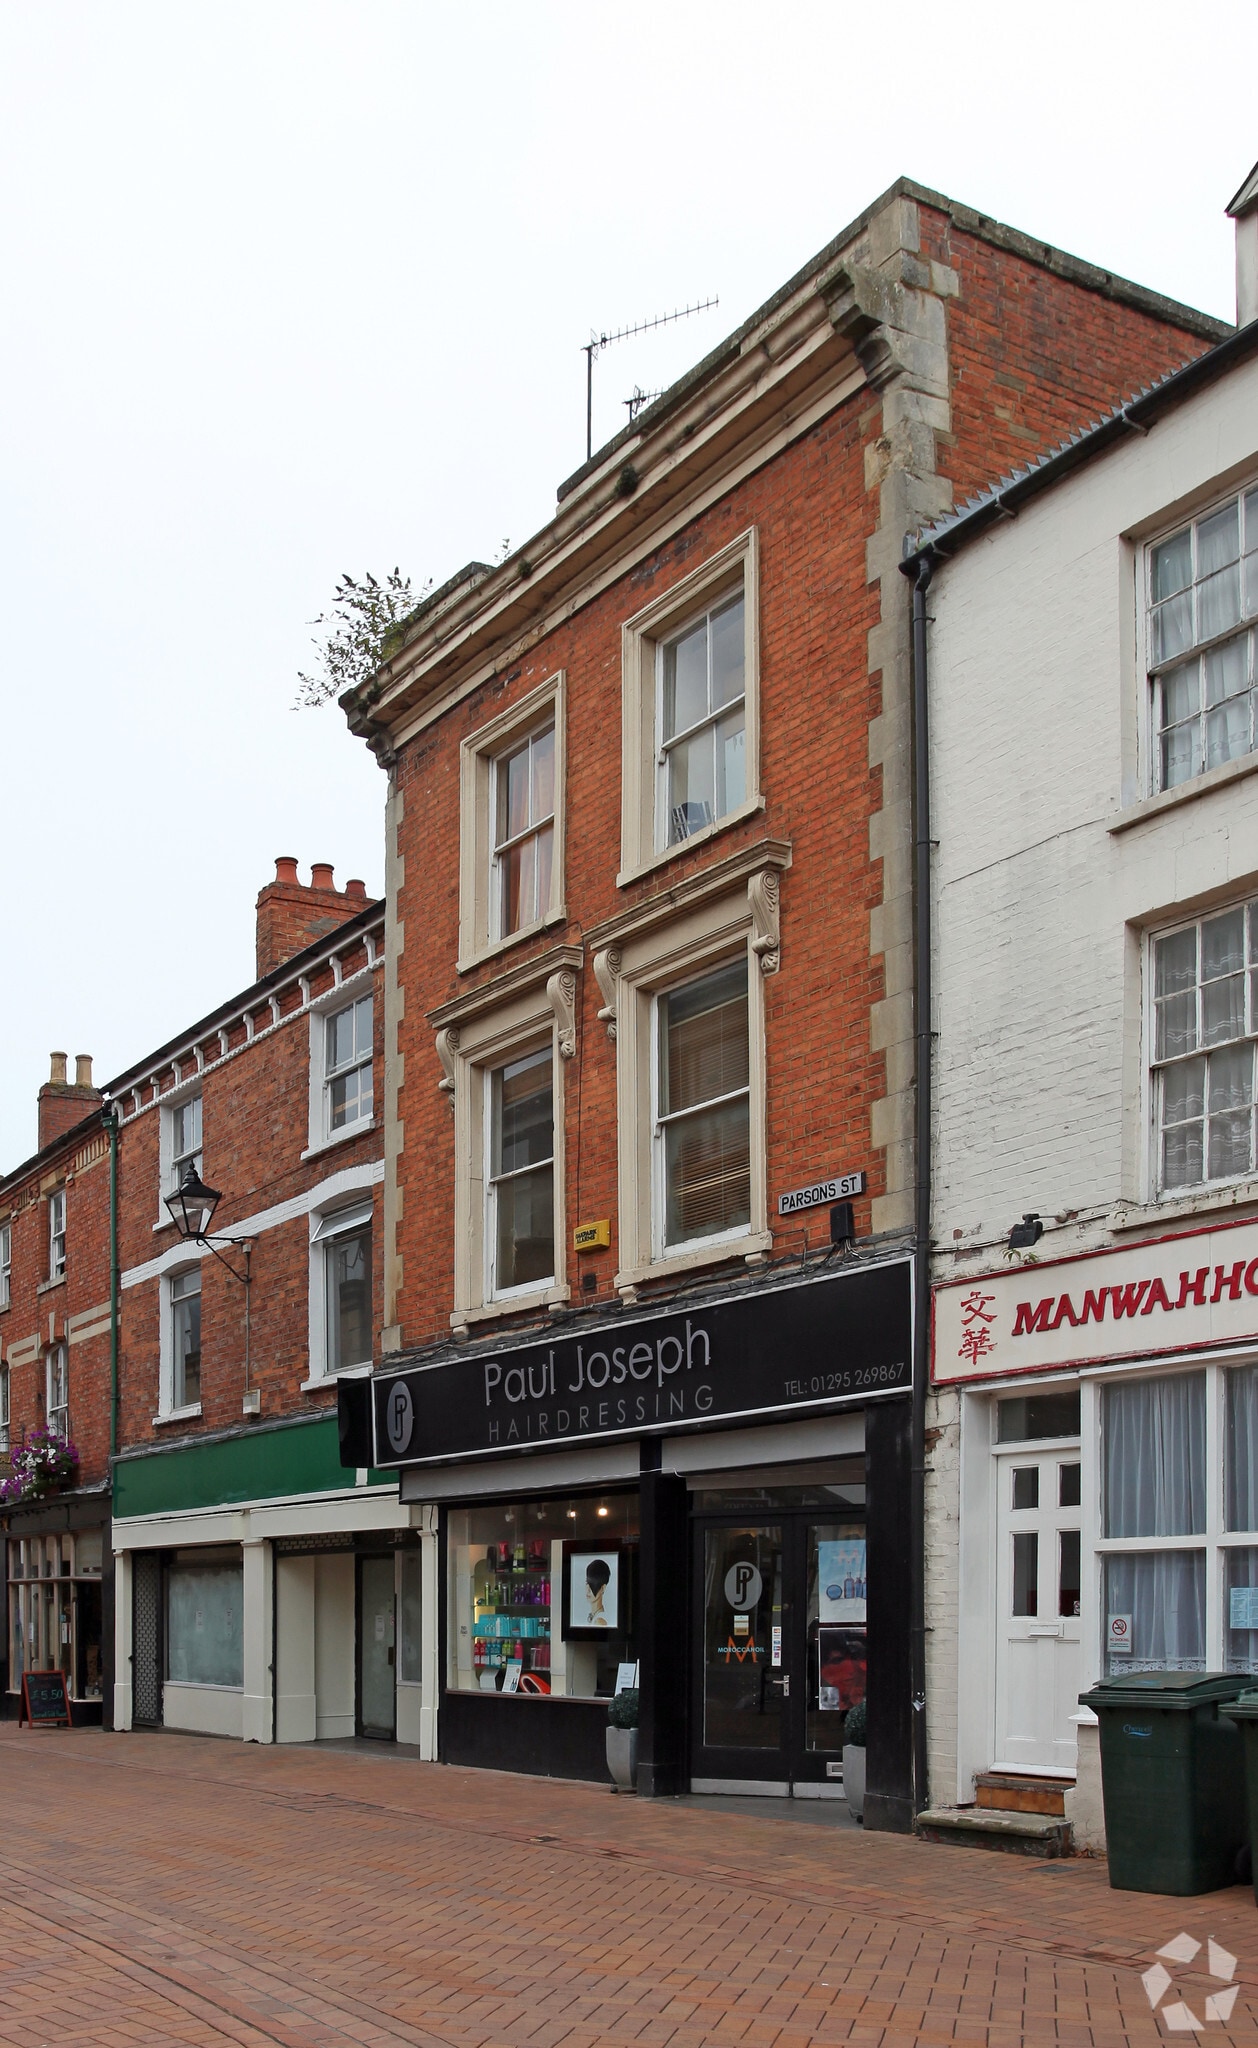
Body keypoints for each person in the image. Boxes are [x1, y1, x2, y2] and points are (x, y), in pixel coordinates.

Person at [584, 1557, 611, 1626]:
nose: (588, 1589)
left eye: (593, 1584)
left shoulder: (599, 1621)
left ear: (603, 1588)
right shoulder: (593, 1616)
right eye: (587, 1582)